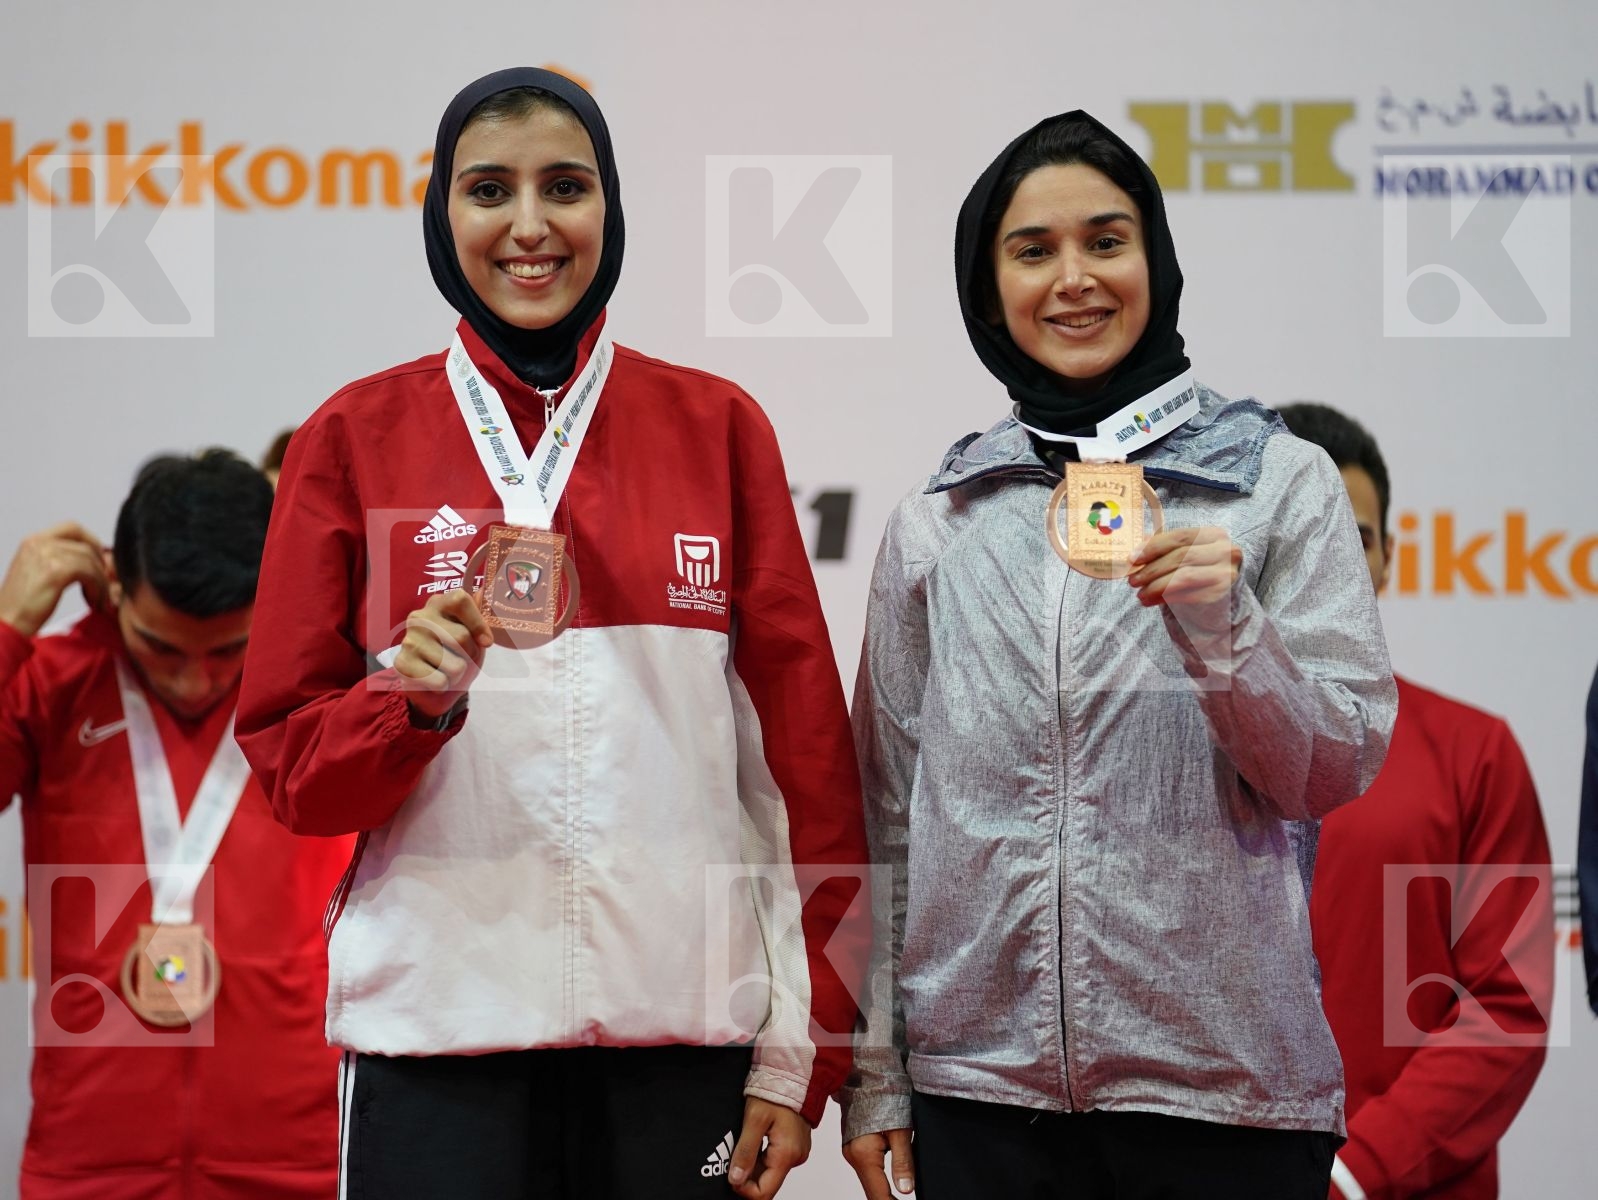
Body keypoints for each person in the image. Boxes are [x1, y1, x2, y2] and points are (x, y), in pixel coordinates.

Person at [235, 68, 867, 1200]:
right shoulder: (350, 437)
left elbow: (801, 774)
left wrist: (797, 1052)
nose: (529, 227)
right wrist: (406, 706)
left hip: (682, 1047)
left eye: (564, 187)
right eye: (488, 190)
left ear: (609, 212)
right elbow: (293, 776)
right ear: (443, 218)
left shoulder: (715, 427)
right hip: (435, 1047)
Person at [837, 111, 1396, 1199]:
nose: (1073, 280)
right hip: (980, 1101)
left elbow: (1329, 769)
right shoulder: (941, 517)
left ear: (1156, 261)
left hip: (1224, 1099)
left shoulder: (1274, 484)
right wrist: (879, 1076)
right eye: (1031, 250)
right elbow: (886, 814)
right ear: (984, 283)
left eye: (1105, 241)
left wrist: (1227, 631)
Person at [0, 449, 350, 1198]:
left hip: (301, 1163)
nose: (194, 679)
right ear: (113, 587)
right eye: (159, 647)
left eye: (228, 651)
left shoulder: (321, 694)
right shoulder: (52, 681)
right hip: (86, 1163)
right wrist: (7, 630)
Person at [1279, 402, 1554, 1200]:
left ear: (1390, 560)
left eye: (1353, 537)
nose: (1324, 558)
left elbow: (1511, 1000)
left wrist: (1357, 1170)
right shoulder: (1157, 757)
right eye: (1297, 529)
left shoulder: (1475, 752)